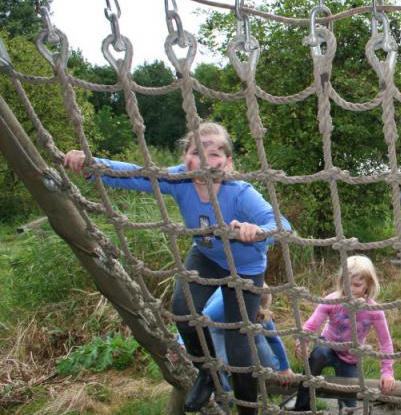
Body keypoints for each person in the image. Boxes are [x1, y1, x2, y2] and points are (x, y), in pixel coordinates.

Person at [64, 121, 291, 414]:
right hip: (207, 256)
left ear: (228, 162)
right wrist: (92, 164)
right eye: (197, 153)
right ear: (185, 157)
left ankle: (248, 409)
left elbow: (282, 224)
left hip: (244, 269)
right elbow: (136, 175)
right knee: (183, 308)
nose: (204, 163)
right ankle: (206, 371)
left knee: (239, 347)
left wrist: (257, 231)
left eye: (214, 155)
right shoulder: (180, 178)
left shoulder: (240, 192)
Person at [293, 255, 396, 412]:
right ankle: (302, 407)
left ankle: (346, 408)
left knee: (349, 401)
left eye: (356, 285)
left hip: (350, 356)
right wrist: (302, 342)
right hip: (328, 346)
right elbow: (311, 324)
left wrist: (387, 372)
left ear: (368, 285)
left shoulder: (374, 312)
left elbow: (386, 343)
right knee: (317, 355)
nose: (349, 289)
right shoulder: (332, 301)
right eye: (345, 283)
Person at [204, 286, 294, 391]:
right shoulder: (220, 307)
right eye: (256, 315)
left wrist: (285, 368)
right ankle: (224, 396)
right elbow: (199, 321)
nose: (258, 317)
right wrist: (182, 342)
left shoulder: (261, 314)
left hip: (248, 322)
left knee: (268, 364)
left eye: (258, 316)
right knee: (222, 362)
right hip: (219, 326)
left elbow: (273, 339)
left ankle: (275, 388)